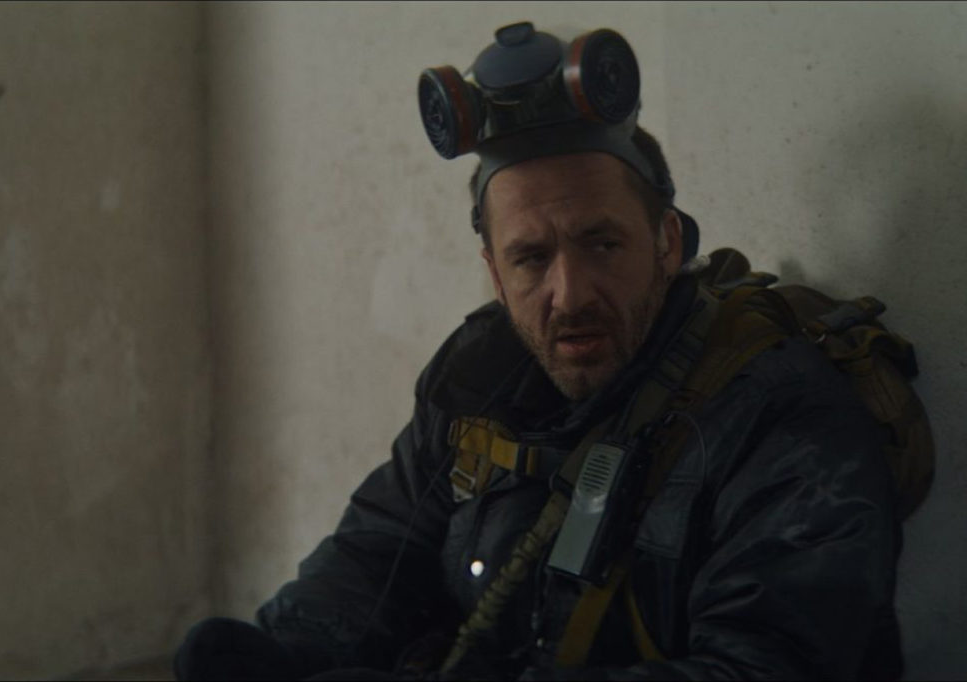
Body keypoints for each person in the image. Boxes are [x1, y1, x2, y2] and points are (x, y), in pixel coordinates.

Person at [175, 22, 902, 681]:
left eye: (601, 243)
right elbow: (378, 551)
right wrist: (283, 652)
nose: (569, 293)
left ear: (667, 243)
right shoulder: (477, 384)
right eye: (530, 258)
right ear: (495, 273)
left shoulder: (778, 416)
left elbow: (767, 665)